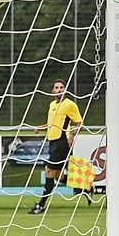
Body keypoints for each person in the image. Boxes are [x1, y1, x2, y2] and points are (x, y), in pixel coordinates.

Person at [27, 79, 82, 214]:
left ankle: (41, 205)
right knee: (57, 176)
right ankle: (83, 188)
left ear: (65, 90)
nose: (59, 89)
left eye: (62, 87)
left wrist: (71, 136)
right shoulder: (52, 104)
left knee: (49, 172)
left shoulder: (69, 104)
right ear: (53, 90)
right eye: (56, 87)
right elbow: (52, 124)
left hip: (62, 142)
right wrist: (42, 127)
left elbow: (79, 123)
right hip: (52, 142)